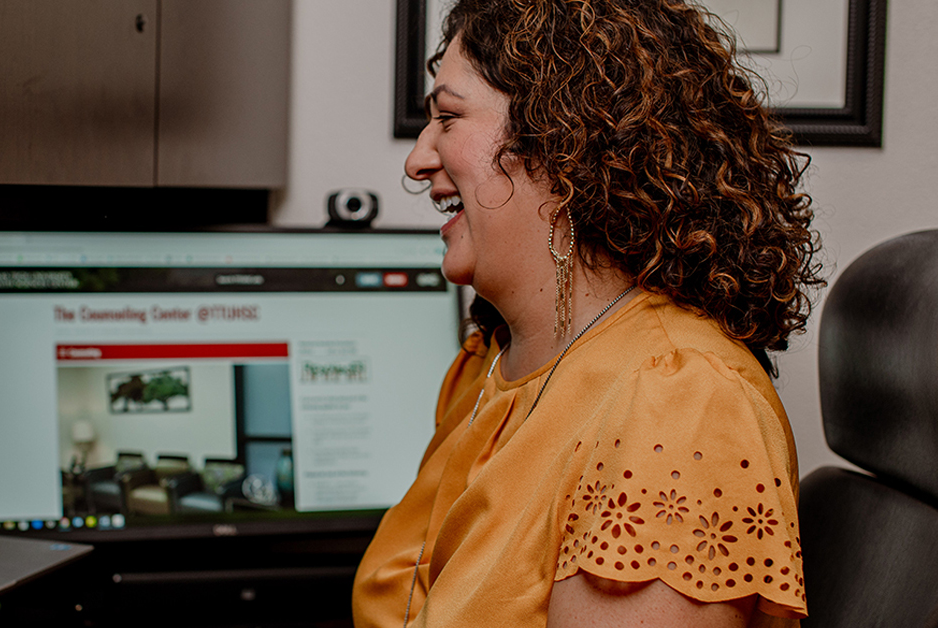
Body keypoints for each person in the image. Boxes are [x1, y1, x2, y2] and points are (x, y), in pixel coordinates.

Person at [352, 0, 822, 626]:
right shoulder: (487, 362)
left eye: (448, 117)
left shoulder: (682, 402)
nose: (417, 160)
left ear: (564, 142)